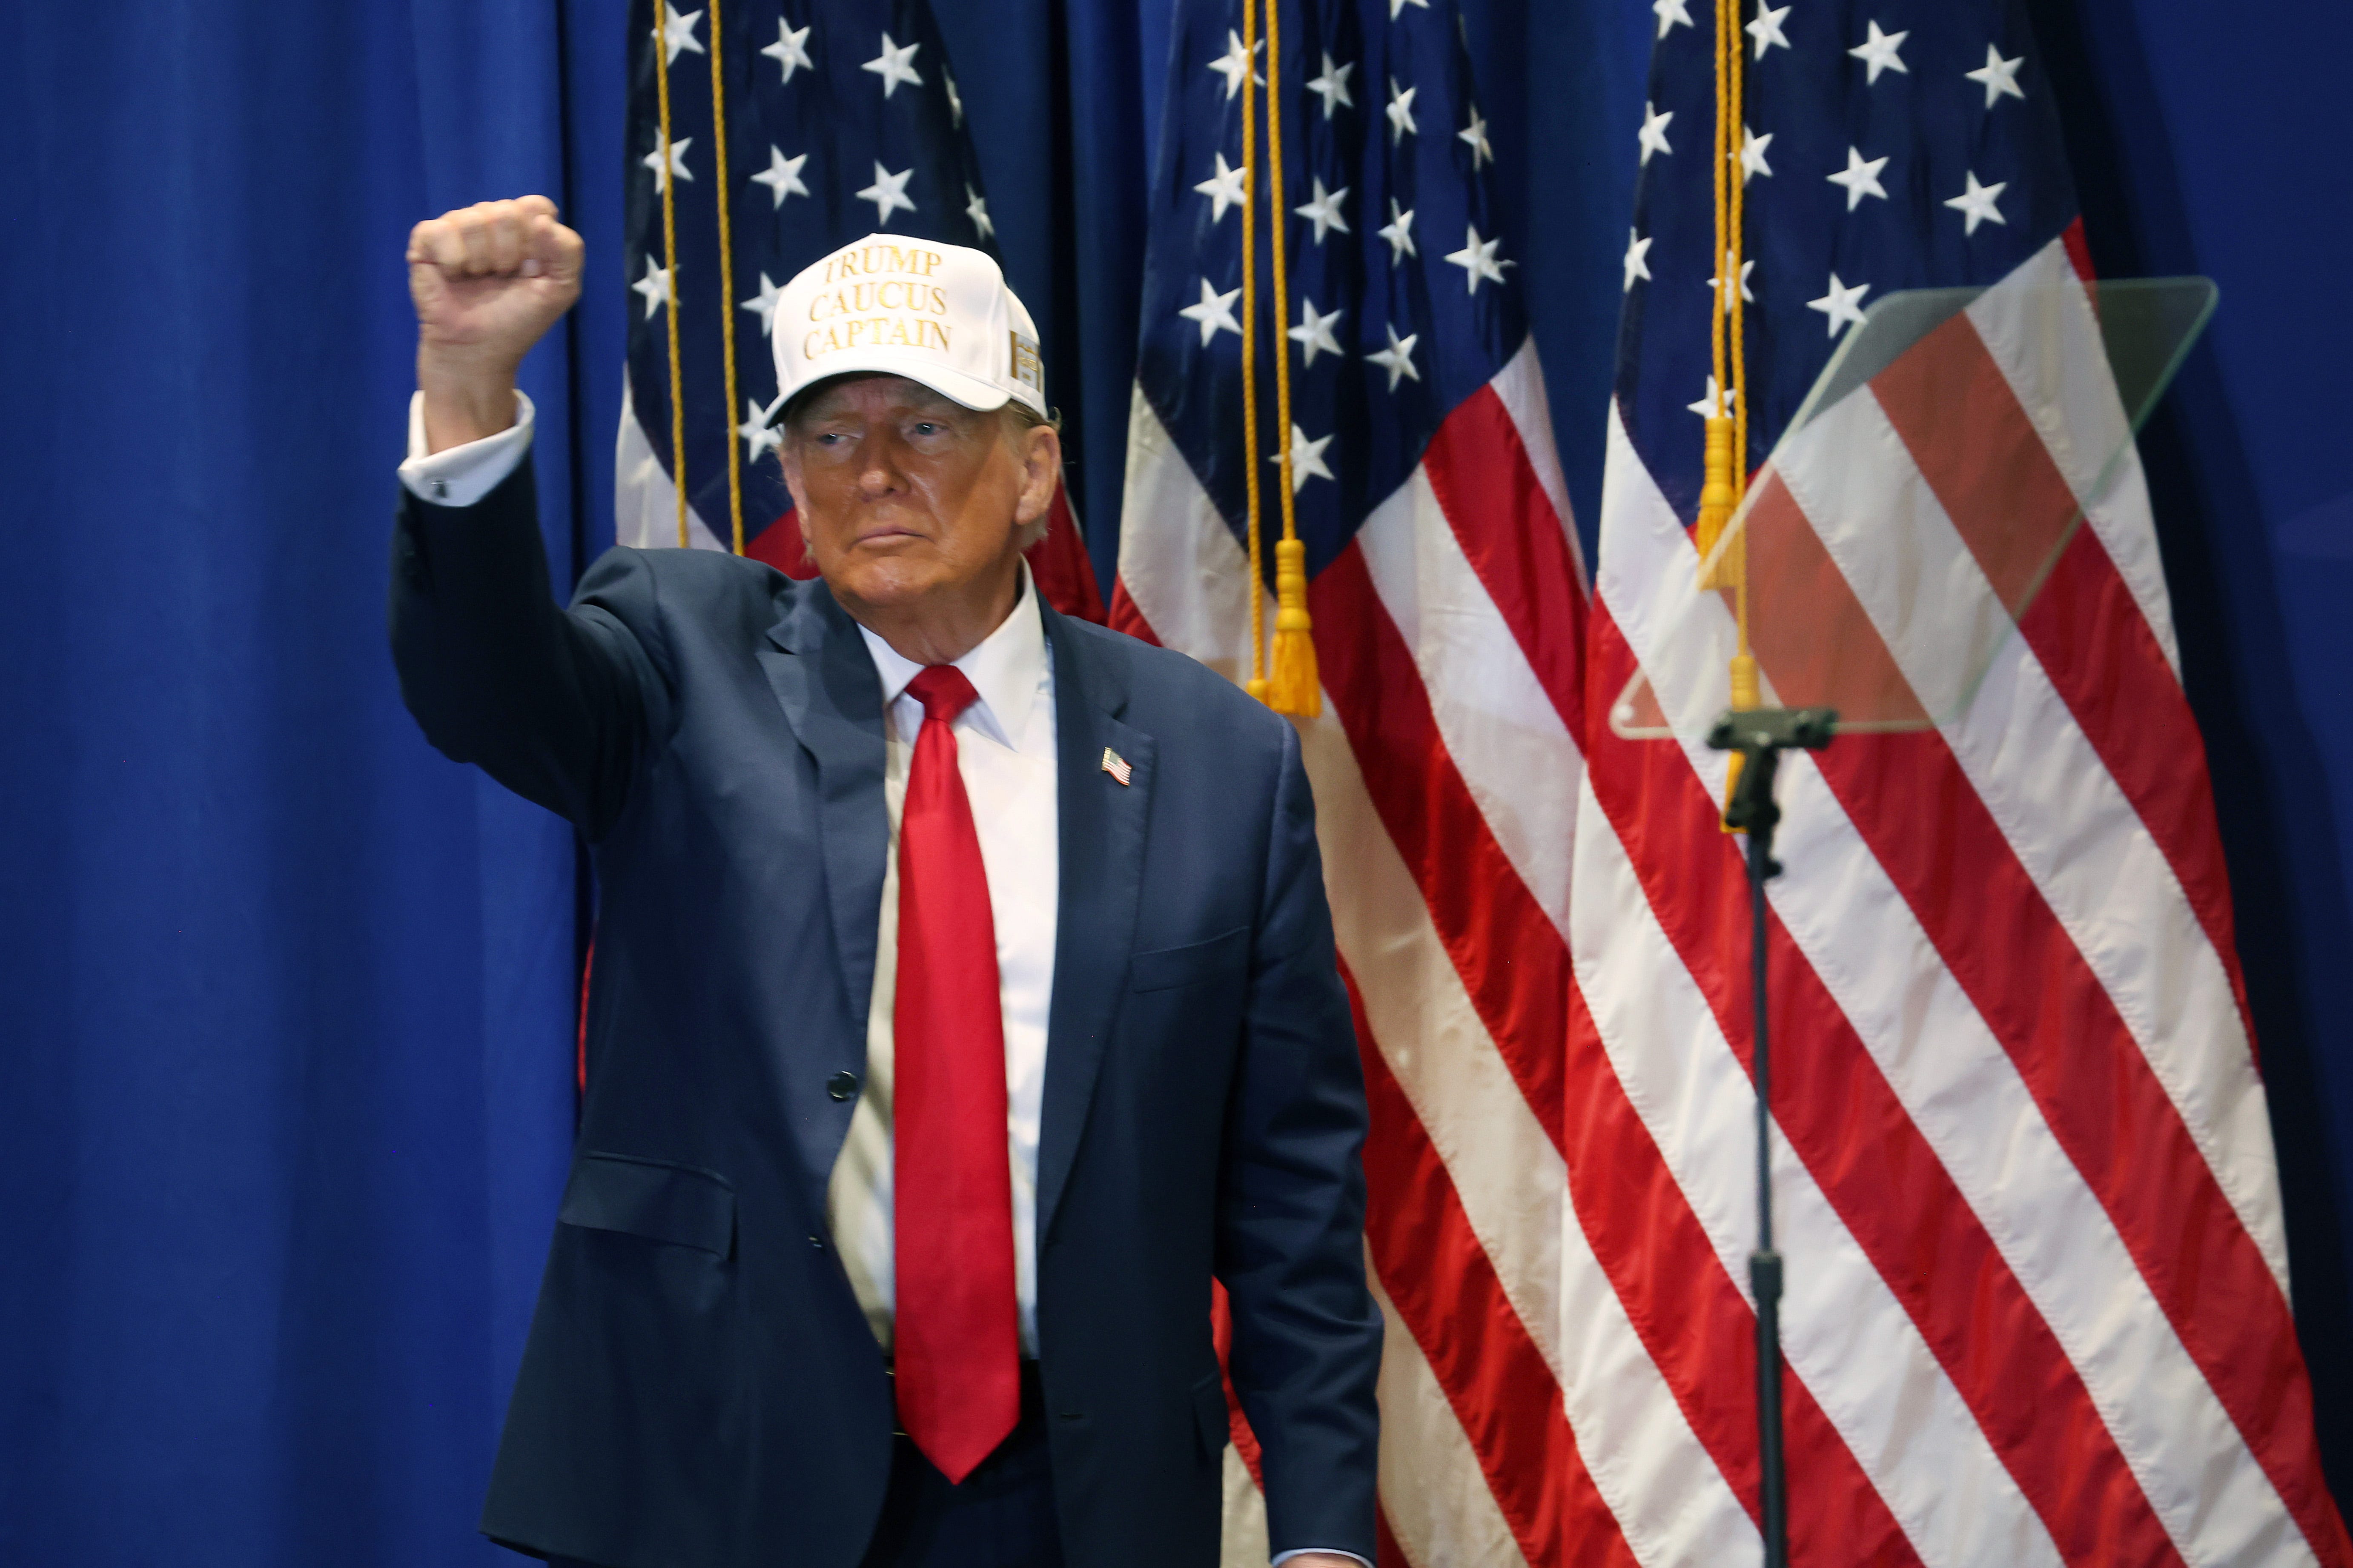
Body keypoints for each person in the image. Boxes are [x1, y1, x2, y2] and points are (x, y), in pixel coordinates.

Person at [391, 195, 1380, 1568]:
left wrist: (1322, 1536)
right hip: (726, 1477)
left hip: (1083, 1500)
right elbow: (486, 688)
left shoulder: (1221, 762)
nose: (872, 473)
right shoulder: (684, 656)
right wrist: (468, 386)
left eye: (925, 427)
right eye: (830, 433)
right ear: (790, 476)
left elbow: (1291, 1200)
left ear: (1034, 469)